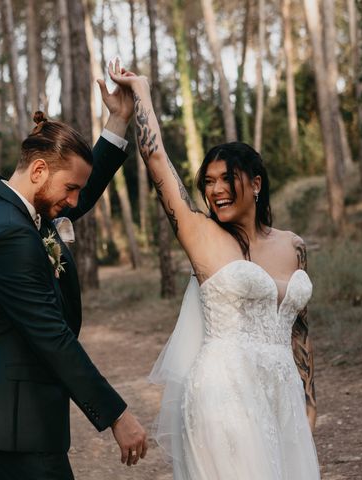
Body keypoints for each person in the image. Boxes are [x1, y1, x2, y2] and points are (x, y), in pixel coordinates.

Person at [111, 70, 320, 478]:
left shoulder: (293, 246)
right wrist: (142, 96)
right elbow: (156, 160)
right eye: (208, 181)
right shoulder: (201, 236)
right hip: (224, 394)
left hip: (282, 395)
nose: (216, 189)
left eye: (227, 178)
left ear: (256, 184)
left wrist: (308, 400)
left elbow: (300, 331)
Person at [0, 61, 148, 479]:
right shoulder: (10, 235)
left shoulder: (4, 202)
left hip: (8, 419)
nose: (76, 202)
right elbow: (51, 336)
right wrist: (117, 415)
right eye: (71, 190)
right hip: (15, 427)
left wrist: (118, 121)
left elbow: (77, 185)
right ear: (40, 170)